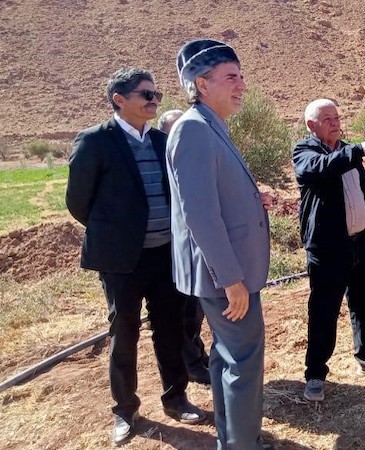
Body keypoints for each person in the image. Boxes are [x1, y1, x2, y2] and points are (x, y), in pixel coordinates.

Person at [66, 68, 205, 446]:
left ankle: (176, 399)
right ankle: (125, 411)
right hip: (121, 262)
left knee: (171, 330)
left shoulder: (162, 140)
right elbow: (78, 203)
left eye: (156, 94)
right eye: (145, 94)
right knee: (123, 334)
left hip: (164, 256)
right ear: (119, 99)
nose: (154, 100)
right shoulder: (95, 142)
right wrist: (119, 233)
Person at [167, 39, 273, 450]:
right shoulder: (193, 130)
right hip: (225, 276)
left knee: (227, 357)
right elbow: (200, 216)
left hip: (226, 272)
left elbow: (214, 197)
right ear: (201, 83)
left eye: (241, 76)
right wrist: (231, 280)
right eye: (232, 77)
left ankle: (233, 440)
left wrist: (251, 197)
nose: (241, 85)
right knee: (244, 362)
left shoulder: (210, 125)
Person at [292, 98, 365, 403]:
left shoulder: (347, 150)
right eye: (327, 119)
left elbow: (361, 190)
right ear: (312, 125)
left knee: (364, 306)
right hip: (327, 249)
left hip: (359, 245)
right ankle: (314, 374)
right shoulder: (305, 152)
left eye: (337, 117)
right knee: (324, 312)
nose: (335, 123)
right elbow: (321, 168)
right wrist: (363, 148)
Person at [155, 108, 211, 386]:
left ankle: (198, 356)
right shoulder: (163, 162)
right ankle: (192, 365)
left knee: (195, 309)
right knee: (184, 312)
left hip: (192, 246)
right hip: (169, 247)